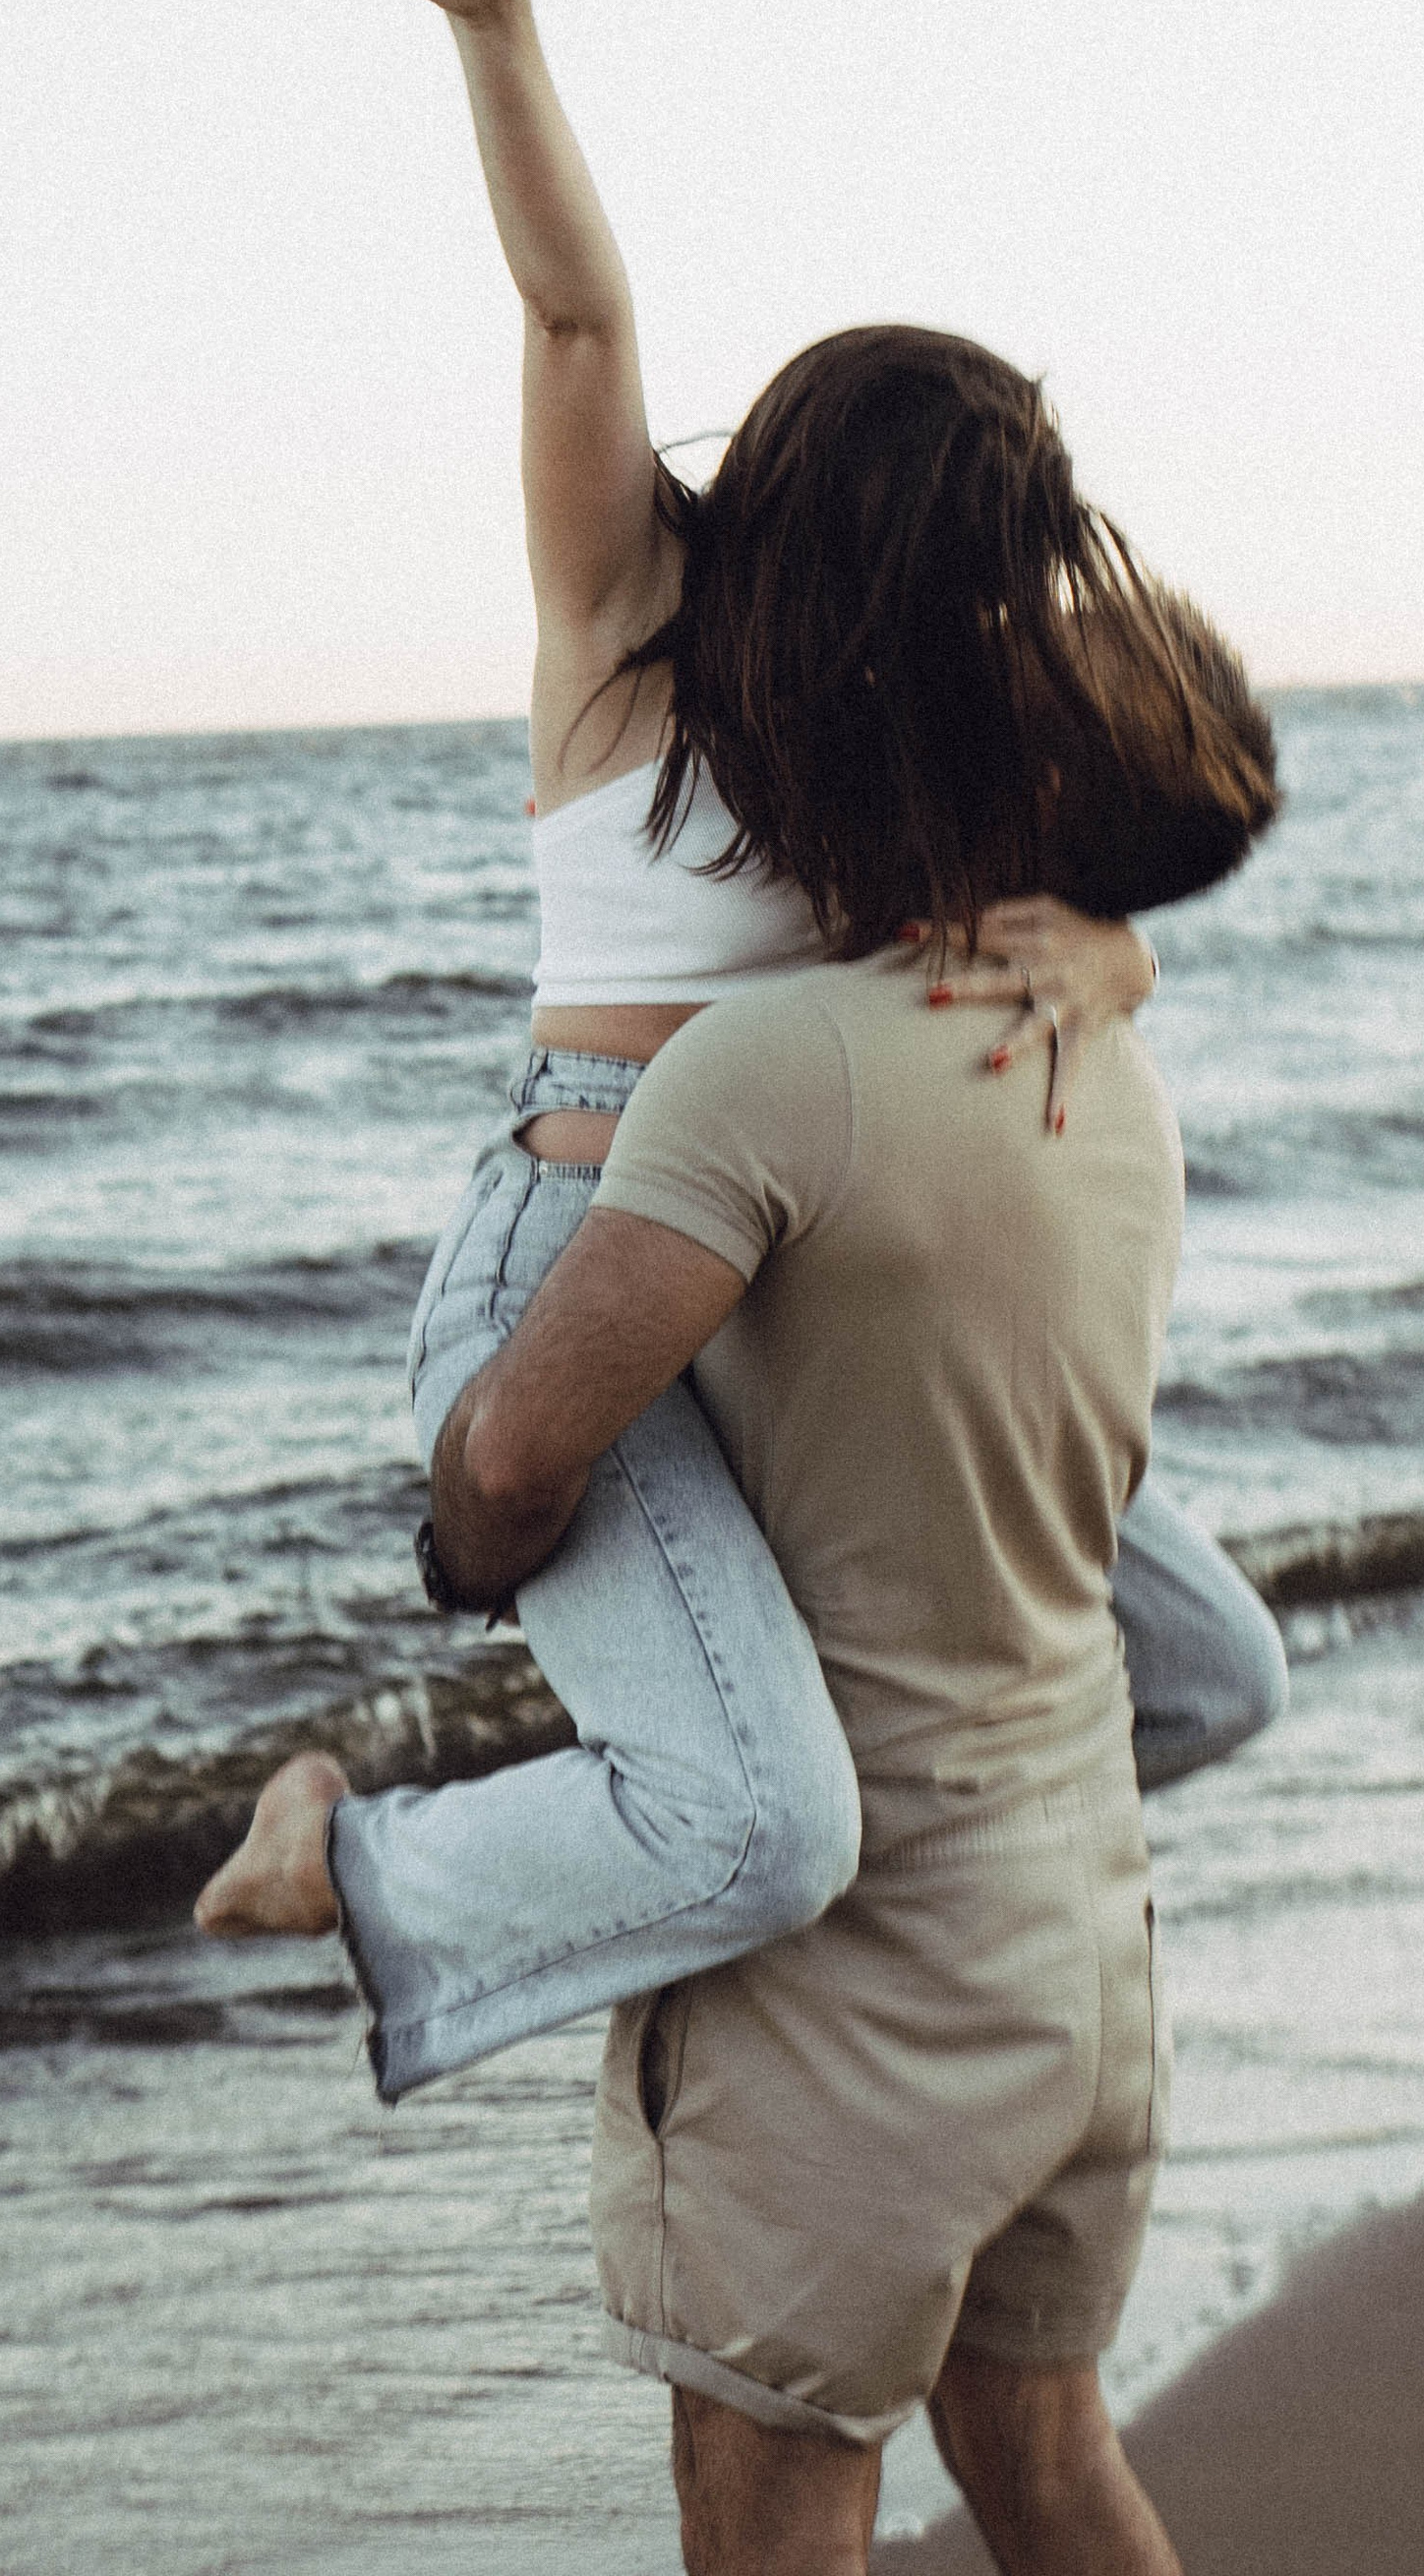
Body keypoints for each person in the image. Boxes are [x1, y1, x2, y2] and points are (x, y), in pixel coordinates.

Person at [197, 0, 1283, 2109]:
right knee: (767, 1820)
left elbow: (1131, 875)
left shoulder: (914, 734)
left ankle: (755, 1876)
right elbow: (576, 323)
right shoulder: (625, 620)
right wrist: (492, 21)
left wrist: (1117, 942)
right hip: (571, 1273)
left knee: (1204, 1670)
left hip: (807, 1305)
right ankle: (347, 1854)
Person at [384, 308, 1259, 2567]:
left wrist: (472, 1553)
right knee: (1049, 2459)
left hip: (850, 2009)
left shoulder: (767, 1076)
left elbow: (505, 1471)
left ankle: (352, 1875)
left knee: (772, 2516)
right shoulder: (1086, 1052)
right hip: (1070, 1948)